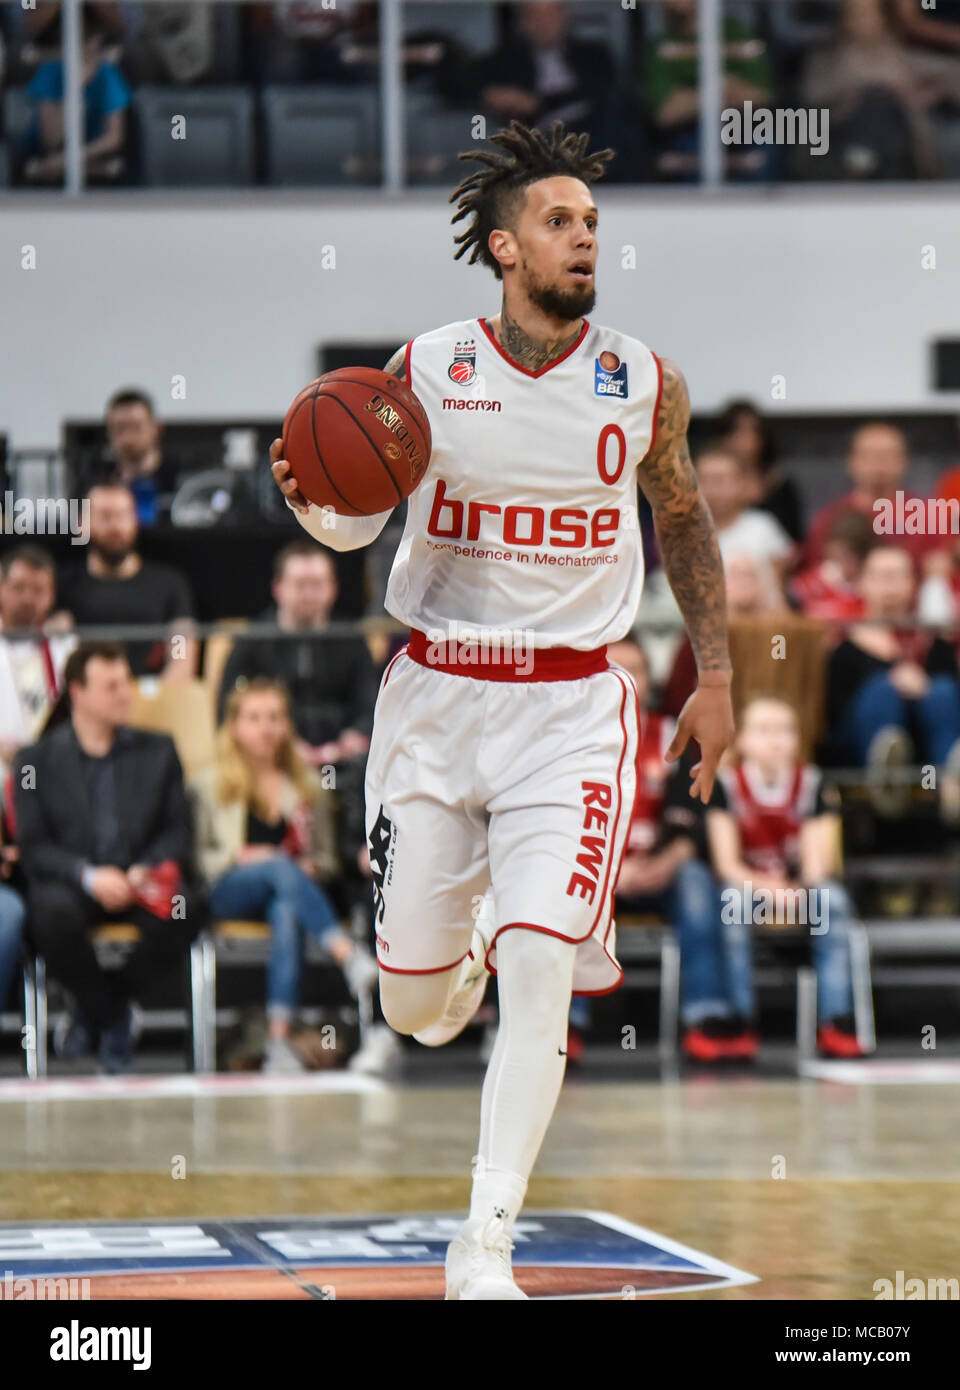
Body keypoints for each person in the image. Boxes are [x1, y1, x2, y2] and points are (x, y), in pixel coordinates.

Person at [272, 119, 735, 1299]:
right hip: (434, 696)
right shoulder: (426, 371)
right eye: (560, 221)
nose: (585, 239)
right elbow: (356, 516)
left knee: (542, 971)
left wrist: (720, 677)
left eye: (593, 223)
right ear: (502, 247)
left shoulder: (646, 380)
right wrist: (317, 510)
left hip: (575, 707)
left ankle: (483, 1244)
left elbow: (680, 518)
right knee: (417, 1012)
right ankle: (465, 943)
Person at [12, 642, 196, 1074]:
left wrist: (141, 870)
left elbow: (179, 831)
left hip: (141, 880)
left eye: (125, 683)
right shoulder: (35, 760)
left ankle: (94, 1010)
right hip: (76, 885)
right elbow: (35, 848)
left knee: (188, 907)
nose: (124, 694)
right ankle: (114, 1018)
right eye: (110, 686)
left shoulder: (159, 751)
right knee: (48, 914)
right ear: (78, 693)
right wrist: (89, 876)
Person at [192, 677, 377, 1075]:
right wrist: (242, 856)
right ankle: (347, 956)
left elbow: (326, 858)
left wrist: (312, 866)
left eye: (275, 717)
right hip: (228, 889)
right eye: (255, 718)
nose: (267, 728)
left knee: (285, 907)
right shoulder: (209, 785)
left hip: (289, 893)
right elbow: (199, 860)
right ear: (235, 726)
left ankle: (278, 1042)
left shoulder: (308, 785)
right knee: (278, 867)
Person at [706, 697, 867, 1059]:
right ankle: (740, 1019)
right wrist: (769, 888)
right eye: (764, 730)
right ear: (742, 739)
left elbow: (816, 862)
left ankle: (835, 1020)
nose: (776, 739)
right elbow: (726, 863)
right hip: (749, 887)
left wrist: (797, 889)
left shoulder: (813, 782)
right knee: (732, 902)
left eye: (784, 731)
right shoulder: (726, 785)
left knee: (831, 901)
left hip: (797, 889)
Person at [609, 638, 741, 1063]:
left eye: (639, 669)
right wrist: (611, 873)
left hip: (662, 871)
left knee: (698, 881)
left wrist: (666, 862)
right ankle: (565, 1024)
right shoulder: (569, 741)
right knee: (559, 887)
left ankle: (707, 1017)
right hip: (595, 871)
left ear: (651, 679)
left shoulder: (675, 736)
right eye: (618, 668)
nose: (630, 678)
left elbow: (695, 818)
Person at [826, 544, 960, 772]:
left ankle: (951, 782)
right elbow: (835, 717)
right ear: (862, 582)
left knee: (943, 691)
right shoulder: (845, 649)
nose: (890, 585)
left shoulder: (935, 645)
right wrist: (892, 685)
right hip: (858, 752)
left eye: (898, 575)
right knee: (882, 692)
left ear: (913, 583)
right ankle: (884, 779)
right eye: (881, 576)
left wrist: (924, 689)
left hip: (926, 749)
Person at [60, 484, 198, 680]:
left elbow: (182, 652)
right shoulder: (64, 586)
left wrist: (160, 693)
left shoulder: (168, 584)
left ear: (135, 521)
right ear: (82, 523)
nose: (115, 526)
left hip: (151, 696)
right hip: (85, 697)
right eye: (105, 516)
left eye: (123, 516)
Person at [642, 0, 776, 181]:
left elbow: (760, 97)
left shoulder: (736, 34)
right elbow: (666, 113)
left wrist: (692, 95)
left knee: (768, 140)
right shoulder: (660, 46)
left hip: (742, 125)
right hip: (687, 130)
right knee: (688, 146)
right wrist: (725, 87)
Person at [802, 421, 943, 572]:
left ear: (904, 461)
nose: (878, 464)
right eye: (869, 455)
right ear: (851, 461)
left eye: (887, 456)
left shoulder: (928, 516)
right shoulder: (829, 519)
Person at [21, 3, 130, 186]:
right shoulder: (51, 70)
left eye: (90, 40)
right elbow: (51, 140)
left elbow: (114, 137)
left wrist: (69, 159)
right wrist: (75, 87)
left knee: (114, 169)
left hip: (89, 160)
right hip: (44, 160)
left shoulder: (107, 72)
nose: (85, 50)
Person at [0, 546, 76, 778]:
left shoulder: (65, 646)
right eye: (18, 588)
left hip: (51, 765)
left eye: (38, 590)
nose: (27, 598)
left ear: (52, 595)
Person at [695, 446, 795, 574]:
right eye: (702, 480)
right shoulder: (683, 531)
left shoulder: (762, 527)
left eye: (719, 480)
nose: (711, 489)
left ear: (741, 483)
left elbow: (777, 582)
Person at [715, 399, 803, 543]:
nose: (747, 440)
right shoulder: (705, 486)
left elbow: (794, 540)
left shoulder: (780, 484)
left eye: (753, 431)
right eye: (738, 432)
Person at [90, 389, 182, 527]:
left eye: (136, 427)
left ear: (156, 429)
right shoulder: (97, 483)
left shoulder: (180, 479)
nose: (127, 438)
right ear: (108, 432)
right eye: (119, 429)